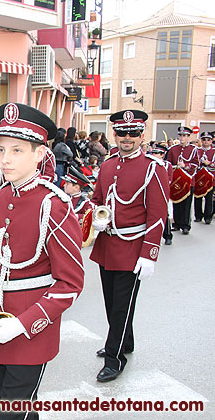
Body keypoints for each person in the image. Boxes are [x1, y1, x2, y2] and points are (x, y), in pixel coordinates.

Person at [0, 103, 84, 420]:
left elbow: (71, 284)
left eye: (17, 150)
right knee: (17, 408)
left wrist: (23, 323)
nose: (5, 159)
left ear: (39, 154)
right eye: (1, 149)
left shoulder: (54, 205)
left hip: (33, 327)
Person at [90, 110, 169, 382]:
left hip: (133, 247)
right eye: (122, 133)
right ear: (114, 134)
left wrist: (150, 254)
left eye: (133, 133)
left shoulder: (153, 168)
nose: (127, 138)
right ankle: (125, 341)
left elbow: (158, 214)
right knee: (111, 301)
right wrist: (96, 218)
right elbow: (98, 199)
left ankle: (115, 357)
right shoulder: (108, 165)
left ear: (142, 135)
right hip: (107, 245)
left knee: (122, 304)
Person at [166, 126, 200, 235]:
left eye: (184, 136)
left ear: (188, 137)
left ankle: (185, 225)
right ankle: (176, 223)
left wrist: (185, 165)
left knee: (186, 204)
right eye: (180, 136)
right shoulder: (173, 149)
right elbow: (168, 163)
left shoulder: (193, 149)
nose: (181, 138)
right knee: (176, 202)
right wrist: (175, 166)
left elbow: (196, 164)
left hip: (188, 181)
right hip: (177, 180)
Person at [150, 143, 174, 245]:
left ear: (162, 154)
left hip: (162, 192)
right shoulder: (149, 163)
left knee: (164, 214)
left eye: (157, 153)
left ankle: (167, 235)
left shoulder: (167, 165)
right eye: (153, 152)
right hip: (150, 192)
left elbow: (169, 180)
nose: (155, 155)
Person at [194, 131, 215, 224]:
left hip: (210, 177)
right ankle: (198, 215)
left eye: (208, 140)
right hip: (199, 177)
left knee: (209, 197)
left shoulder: (214, 151)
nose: (206, 141)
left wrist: (209, 163)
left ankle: (207, 216)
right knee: (197, 196)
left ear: (211, 141)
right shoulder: (197, 150)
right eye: (204, 139)